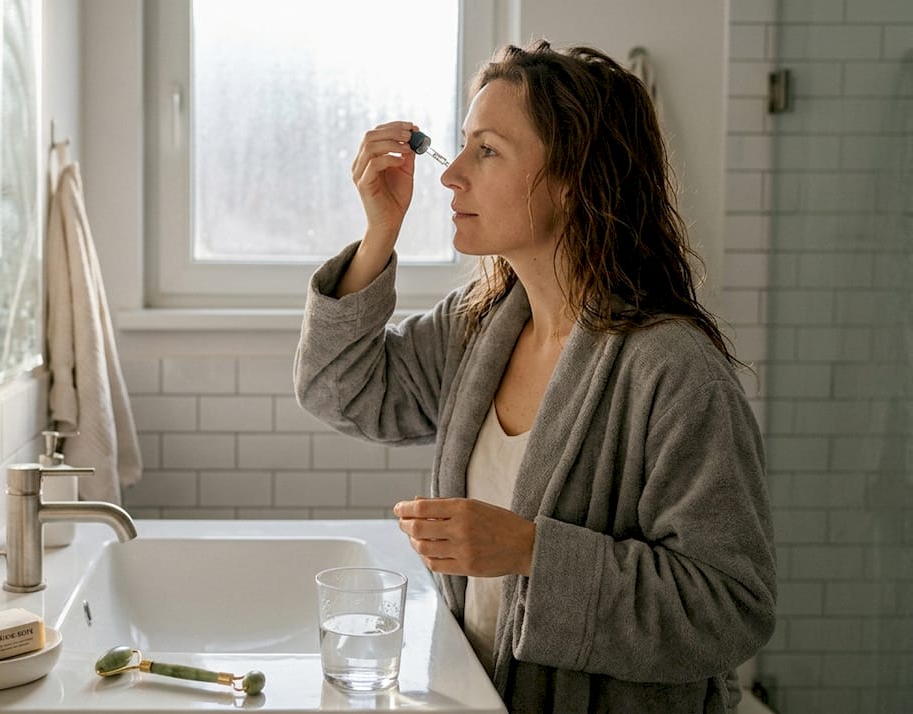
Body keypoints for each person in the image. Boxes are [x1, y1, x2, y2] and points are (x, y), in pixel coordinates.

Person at [294, 40, 775, 713]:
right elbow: (340, 390)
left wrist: (529, 551)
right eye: (460, 146)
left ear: (572, 179)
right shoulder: (479, 328)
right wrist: (379, 235)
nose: (450, 175)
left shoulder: (672, 372)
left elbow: (730, 608)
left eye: (487, 150)